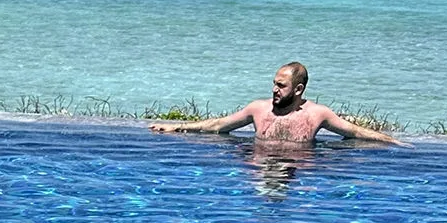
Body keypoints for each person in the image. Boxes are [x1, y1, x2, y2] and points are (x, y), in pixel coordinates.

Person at [149, 62, 404, 145]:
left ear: (299, 89)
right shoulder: (258, 109)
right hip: (260, 164)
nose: (274, 90)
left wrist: (394, 142)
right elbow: (218, 126)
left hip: (297, 168)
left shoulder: (317, 114)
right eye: (274, 84)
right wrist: (176, 127)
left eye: (281, 86)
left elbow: (355, 132)